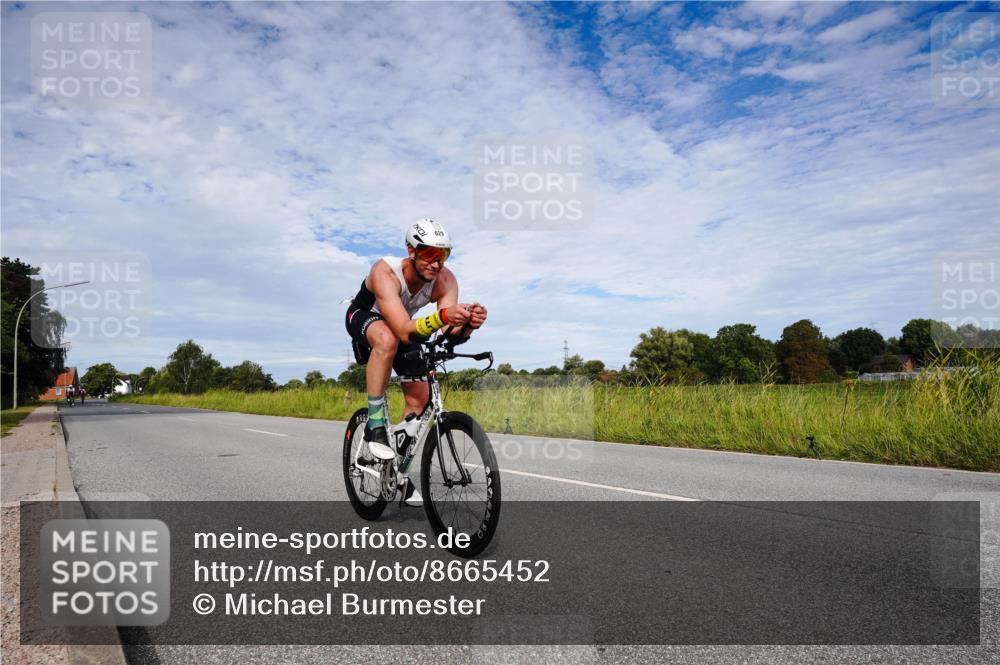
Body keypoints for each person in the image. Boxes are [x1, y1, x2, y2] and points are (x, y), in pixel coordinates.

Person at [345, 219, 488, 506]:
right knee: (387, 340)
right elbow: (401, 329)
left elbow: (448, 332)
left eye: (443, 255)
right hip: (366, 318)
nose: (436, 263)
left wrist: (468, 325)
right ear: (411, 250)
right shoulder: (385, 271)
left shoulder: (446, 280)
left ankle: (398, 472)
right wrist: (444, 317)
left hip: (404, 327)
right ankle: (374, 424)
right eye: (429, 255)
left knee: (420, 398)